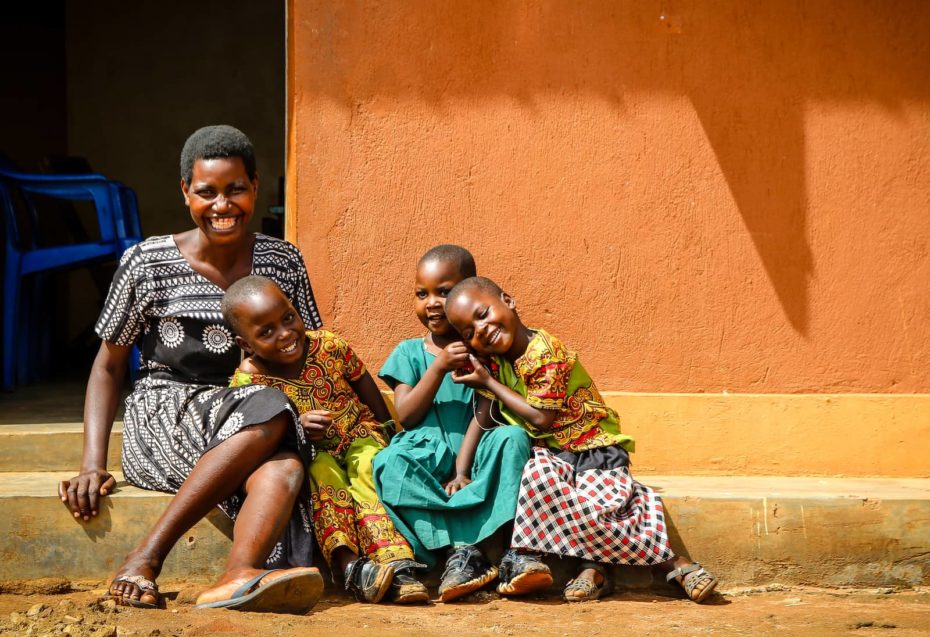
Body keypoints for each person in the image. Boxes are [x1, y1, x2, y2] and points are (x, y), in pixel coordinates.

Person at [59, 125, 325, 614]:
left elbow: (306, 351)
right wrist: (92, 463)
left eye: (236, 190)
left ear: (256, 187)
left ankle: (238, 575)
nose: (222, 205)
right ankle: (145, 557)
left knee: (286, 462)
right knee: (272, 414)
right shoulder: (146, 262)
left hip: (257, 411)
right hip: (166, 414)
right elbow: (107, 367)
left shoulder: (282, 260)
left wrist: (301, 412)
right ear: (186, 193)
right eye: (207, 192)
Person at [445, 276, 719, 603]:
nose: (482, 329)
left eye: (483, 313)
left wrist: (489, 381)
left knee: (604, 505)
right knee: (537, 479)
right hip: (553, 454)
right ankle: (591, 568)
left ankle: (671, 563)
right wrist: (461, 471)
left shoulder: (545, 352)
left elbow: (540, 417)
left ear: (509, 300)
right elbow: (481, 416)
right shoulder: (492, 363)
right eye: (469, 332)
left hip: (593, 448)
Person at [222, 275, 429, 604]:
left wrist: (388, 429)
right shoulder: (248, 382)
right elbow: (257, 437)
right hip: (311, 453)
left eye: (288, 317)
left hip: (360, 431)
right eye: (266, 332)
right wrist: (297, 426)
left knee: (368, 471)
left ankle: (397, 565)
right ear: (245, 343)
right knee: (324, 481)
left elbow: (363, 383)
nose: (286, 334)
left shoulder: (328, 345)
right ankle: (352, 568)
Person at [371, 246, 532, 602]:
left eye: (443, 292)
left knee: (514, 439)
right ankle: (457, 551)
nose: (431, 302)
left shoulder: (487, 348)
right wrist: (439, 366)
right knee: (387, 464)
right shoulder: (408, 352)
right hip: (426, 456)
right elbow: (407, 415)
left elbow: (488, 412)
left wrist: (463, 470)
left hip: (478, 453)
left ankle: (490, 552)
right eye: (421, 293)